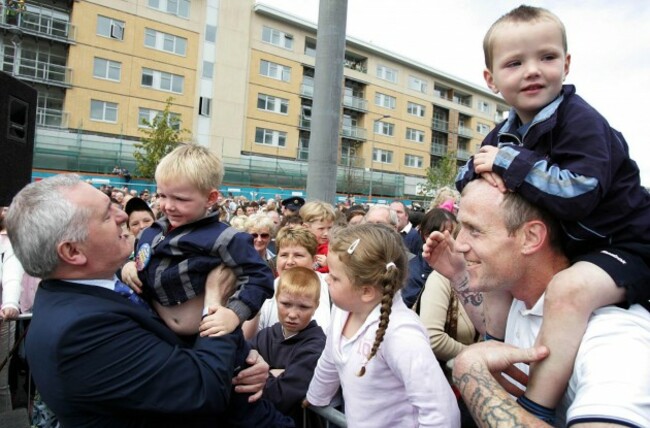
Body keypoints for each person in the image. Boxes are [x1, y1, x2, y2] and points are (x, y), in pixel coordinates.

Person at [455, 5, 650, 419]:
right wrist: (481, 168)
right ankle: (498, 349)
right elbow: (468, 173)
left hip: (629, 244)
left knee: (568, 291)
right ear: (490, 80)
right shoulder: (506, 131)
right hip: (583, 247)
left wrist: (510, 165)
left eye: (546, 57)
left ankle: (534, 406)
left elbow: (581, 191)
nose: (532, 71)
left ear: (566, 62)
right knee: (500, 284)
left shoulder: (582, 121)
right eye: (514, 62)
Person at [4, 174, 281, 427]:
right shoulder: (80, 330)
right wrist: (215, 301)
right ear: (72, 251)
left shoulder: (93, 291)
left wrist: (240, 356)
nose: (122, 216)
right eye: (105, 215)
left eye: (113, 204)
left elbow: (169, 349)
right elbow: (203, 388)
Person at [425, 179, 650, 427]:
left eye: (474, 230)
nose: (459, 243)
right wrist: (458, 276)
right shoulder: (517, 298)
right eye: (460, 227)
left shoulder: (615, 339)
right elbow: (491, 333)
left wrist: (471, 375)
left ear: (531, 237)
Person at [305, 224, 460, 427]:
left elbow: (441, 412)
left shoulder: (401, 335)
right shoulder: (343, 308)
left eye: (334, 277)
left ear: (366, 291)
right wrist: (316, 398)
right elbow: (331, 358)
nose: (326, 278)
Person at [121, 144, 274, 338]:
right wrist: (128, 266)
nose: (168, 206)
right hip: (151, 331)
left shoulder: (225, 238)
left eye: (180, 199)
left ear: (210, 198)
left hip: (202, 339)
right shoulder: (150, 233)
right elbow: (138, 259)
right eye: (161, 195)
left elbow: (260, 277)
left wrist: (234, 313)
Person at [249, 267, 326, 426]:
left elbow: (280, 396)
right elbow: (237, 374)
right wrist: (272, 374)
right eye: (286, 304)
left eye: (303, 307)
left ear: (316, 306)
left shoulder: (316, 346)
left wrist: (259, 374)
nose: (292, 314)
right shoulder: (265, 336)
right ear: (276, 299)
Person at [244, 226, 331, 338]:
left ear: (314, 260)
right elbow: (249, 340)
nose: (290, 262)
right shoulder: (266, 291)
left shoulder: (329, 286)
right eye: (284, 255)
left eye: (298, 255)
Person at [0, 206, 24, 412]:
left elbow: (12, 274)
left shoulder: (9, 241)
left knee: (1, 385)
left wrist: (10, 303)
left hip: (2, 319)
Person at [299, 201, 335, 274]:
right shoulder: (296, 246)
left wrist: (329, 266)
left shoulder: (332, 251)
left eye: (329, 228)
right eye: (321, 229)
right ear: (305, 227)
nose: (326, 233)